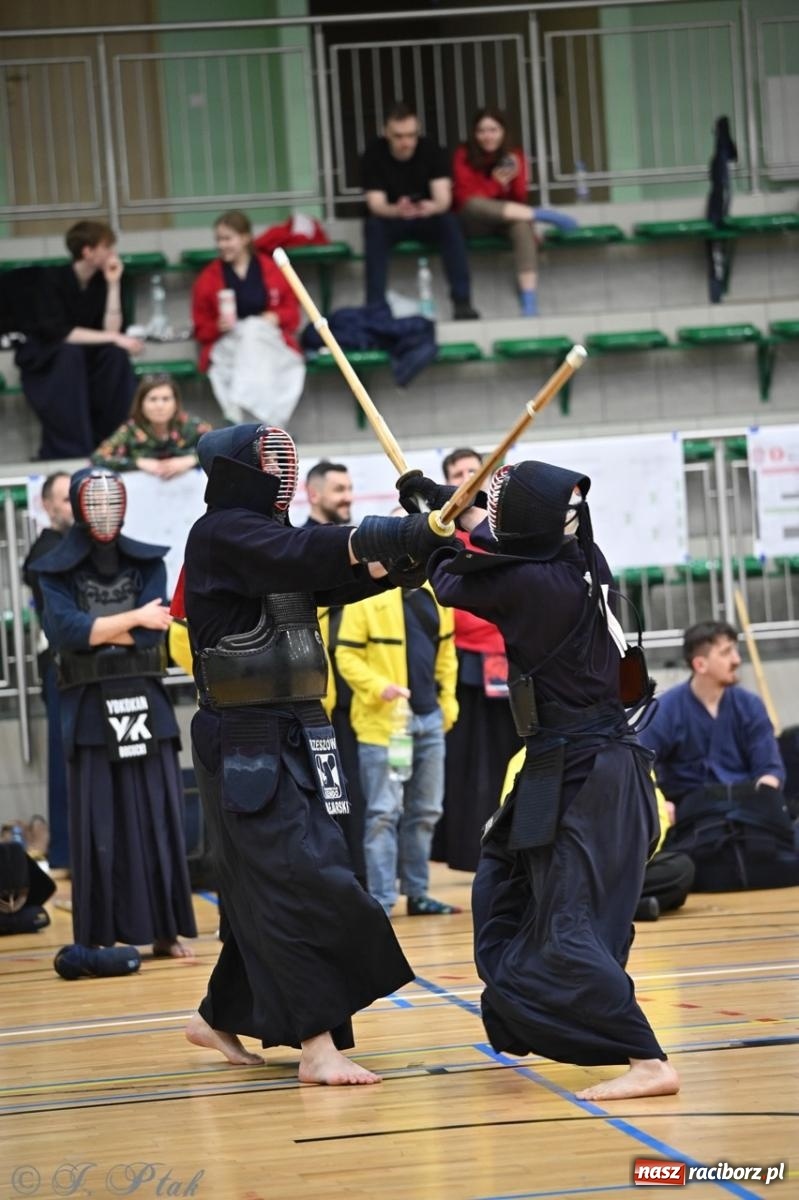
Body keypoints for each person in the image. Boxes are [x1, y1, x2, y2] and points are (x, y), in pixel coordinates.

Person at [180, 423, 453, 1083]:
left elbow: (349, 575)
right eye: (267, 461)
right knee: (302, 882)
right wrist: (390, 531)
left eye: (286, 459)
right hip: (247, 737)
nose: (281, 471)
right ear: (235, 471)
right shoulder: (221, 535)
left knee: (277, 883)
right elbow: (312, 552)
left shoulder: (271, 546)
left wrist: (421, 537)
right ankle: (316, 1047)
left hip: (299, 730)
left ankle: (218, 1016)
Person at [400, 460, 679, 1100]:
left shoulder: (532, 586)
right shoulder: (583, 557)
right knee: (505, 878)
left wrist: (426, 523)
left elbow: (447, 575)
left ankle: (649, 1061)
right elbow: (503, 539)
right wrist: (448, 500)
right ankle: (525, 1014)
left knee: (571, 922)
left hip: (590, 776)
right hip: (572, 766)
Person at [28, 467, 198, 961]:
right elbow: (65, 632)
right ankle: (101, 931)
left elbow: (155, 630)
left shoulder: (147, 562)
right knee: (100, 823)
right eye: (94, 502)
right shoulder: (54, 569)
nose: (104, 512)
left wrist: (103, 630)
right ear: (79, 507)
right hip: (87, 711)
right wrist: (131, 619)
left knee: (158, 818)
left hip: (148, 701)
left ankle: (167, 931)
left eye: (112, 501)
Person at [336, 546, 460, 917]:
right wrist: (379, 688)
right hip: (384, 723)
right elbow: (345, 655)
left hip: (428, 720)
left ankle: (418, 893)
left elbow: (447, 656)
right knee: (383, 813)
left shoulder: (437, 597)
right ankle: (383, 899)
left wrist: (447, 702)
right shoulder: (366, 599)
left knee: (426, 811)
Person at [639, 620, 799, 891]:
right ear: (700, 664)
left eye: (735, 651)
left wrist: (763, 803)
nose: (736, 660)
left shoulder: (749, 705)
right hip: (695, 822)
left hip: (751, 818)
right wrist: (659, 802)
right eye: (726, 653)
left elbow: (770, 770)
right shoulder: (666, 709)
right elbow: (640, 761)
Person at [433, 448, 522, 873]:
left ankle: (519, 844)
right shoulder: (442, 531)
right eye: (457, 472)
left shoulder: (508, 529)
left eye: (474, 470)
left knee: (514, 754)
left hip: (512, 655)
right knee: (472, 762)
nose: (466, 476)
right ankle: (474, 852)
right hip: (464, 659)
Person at [13, 220, 143, 460]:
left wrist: (114, 285)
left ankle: (114, 441)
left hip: (87, 357)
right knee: (70, 354)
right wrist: (115, 337)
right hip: (48, 358)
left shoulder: (104, 281)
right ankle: (71, 449)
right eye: (107, 247)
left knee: (114, 356)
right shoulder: (51, 279)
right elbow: (60, 332)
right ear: (88, 251)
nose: (112, 253)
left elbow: (111, 330)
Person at [303, 460, 366, 881]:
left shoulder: (357, 544)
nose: (347, 497)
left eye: (349, 488)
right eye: (339, 489)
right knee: (322, 801)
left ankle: (356, 884)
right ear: (313, 494)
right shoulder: (297, 544)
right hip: (313, 703)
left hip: (358, 703)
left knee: (355, 802)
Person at [452, 108, 578, 317]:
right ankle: (542, 215)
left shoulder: (515, 155)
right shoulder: (463, 155)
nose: (487, 136)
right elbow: (464, 198)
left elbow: (519, 197)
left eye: (493, 130)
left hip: (504, 219)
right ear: (474, 134)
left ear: (503, 132)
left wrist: (514, 177)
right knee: (474, 203)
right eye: (482, 131)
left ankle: (529, 299)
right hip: (473, 221)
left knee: (521, 226)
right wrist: (495, 184)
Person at [362, 102, 479, 320]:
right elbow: (376, 204)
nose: (406, 142)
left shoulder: (432, 150)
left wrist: (431, 207)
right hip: (391, 219)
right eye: (398, 136)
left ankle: (462, 302)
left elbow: (443, 199)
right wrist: (397, 210)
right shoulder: (373, 154)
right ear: (386, 132)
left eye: (411, 135)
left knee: (450, 223)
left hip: (427, 217)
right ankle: (374, 307)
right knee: (373, 227)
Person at [191, 209, 305, 425]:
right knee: (250, 339)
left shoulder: (270, 269)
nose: (222, 245)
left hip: (268, 340)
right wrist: (217, 326)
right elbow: (200, 329)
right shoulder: (208, 278)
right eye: (219, 239)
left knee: (254, 331)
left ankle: (245, 415)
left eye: (228, 238)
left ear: (245, 238)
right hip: (227, 344)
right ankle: (269, 426)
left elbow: (293, 314)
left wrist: (276, 317)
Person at [22, 472, 74, 873]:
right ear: (48, 506)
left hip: (88, 668)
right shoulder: (46, 552)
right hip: (62, 669)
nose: (74, 503)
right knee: (65, 761)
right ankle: (64, 855)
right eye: (65, 498)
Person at [91, 375, 213, 477]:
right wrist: (138, 463)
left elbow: (221, 451)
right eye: (153, 399)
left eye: (166, 399)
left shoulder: (192, 426)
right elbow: (98, 457)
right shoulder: (130, 430)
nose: (159, 406)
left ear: (176, 403)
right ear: (141, 404)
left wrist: (191, 460)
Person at [305, 460, 354, 526]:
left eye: (350, 489)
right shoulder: (302, 536)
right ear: (313, 495)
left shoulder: (343, 535)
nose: (349, 498)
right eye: (339, 489)